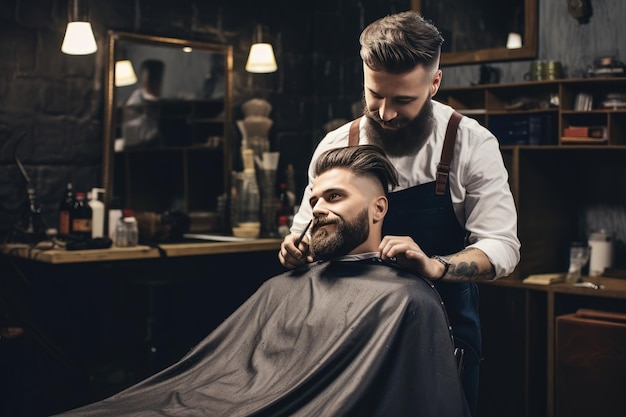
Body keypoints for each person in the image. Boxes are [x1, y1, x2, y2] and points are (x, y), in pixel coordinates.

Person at [53, 145, 469, 417]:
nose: (319, 209)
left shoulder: (406, 300)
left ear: (379, 209)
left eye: (335, 197)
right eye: (314, 200)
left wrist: (437, 267)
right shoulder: (285, 286)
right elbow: (221, 374)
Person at [278, 11, 521, 416]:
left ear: (435, 83)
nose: (385, 113)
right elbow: (306, 230)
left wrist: (436, 266)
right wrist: (296, 248)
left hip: (440, 329)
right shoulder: (336, 146)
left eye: (404, 100)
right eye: (375, 94)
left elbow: (502, 246)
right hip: (347, 327)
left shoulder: (470, 145)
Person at [122, 59, 165, 148]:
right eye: (154, 78)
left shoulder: (156, 101)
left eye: (158, 78)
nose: (157, 83)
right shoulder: (135, 102)